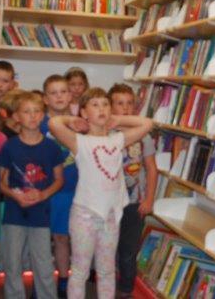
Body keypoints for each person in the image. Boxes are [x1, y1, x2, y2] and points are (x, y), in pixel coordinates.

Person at [49, 88, 154, 299]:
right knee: (80, 270)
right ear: (84, 112)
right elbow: (54, 123)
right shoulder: (79, 141)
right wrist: (73, 120)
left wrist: (118, 119)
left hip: (111, 216)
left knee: (106, 271)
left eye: (105, 104)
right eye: (95, 105)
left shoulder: (118, 139)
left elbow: (147, 124)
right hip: (85, 214)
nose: (102, 109)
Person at [0, 91, 64, 299]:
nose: (32, 116)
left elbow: (59, 180)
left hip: (41, 213)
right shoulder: (9, 146)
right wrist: (15, 195)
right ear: (17, 116)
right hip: (14, 213)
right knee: (12, 264)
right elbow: (0, 182)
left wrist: (43, 195)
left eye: (37, 111)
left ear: (43, 115)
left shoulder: (52, 147)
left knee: (43, 264)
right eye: (26, 112)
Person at [108, 84, 157, 299]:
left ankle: (126, 290)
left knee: (128, 251)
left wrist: (149, 199)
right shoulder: (104, 134)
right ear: (110, 106)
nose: (126, 108)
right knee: (107, 249)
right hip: (108, 203)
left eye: (130, 103)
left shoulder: (144, 136)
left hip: (135, 202)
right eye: (120, 103)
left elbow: (152, 169)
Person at [42, 75, 76, 297]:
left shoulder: (80, 123)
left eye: (63, 91)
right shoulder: (39, 123)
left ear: (70, 95)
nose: (59, 96)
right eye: (53, 93)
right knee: (41, 241)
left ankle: (64, 281)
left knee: (62, 238)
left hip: (71, 190)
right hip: (45, 192)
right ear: (45, 99)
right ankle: (42, 283)